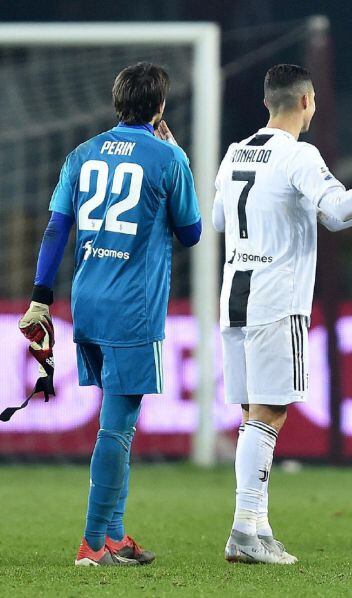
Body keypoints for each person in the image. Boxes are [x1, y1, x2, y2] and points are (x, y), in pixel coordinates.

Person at [213, 65, 352, 565]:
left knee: (251, 416)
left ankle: (257, 526)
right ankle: (243, 532)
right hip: (276, 299)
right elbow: (337, 212)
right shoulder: (299, 155)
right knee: (268, 416)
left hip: (233, 295)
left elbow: (217, 219)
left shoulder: (234, 154)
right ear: (306, 103)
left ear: (266, 101)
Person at [16, 62, 201, 566]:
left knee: (119, 419)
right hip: (133, 308)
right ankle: (93, 543)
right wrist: (180, 156)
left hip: (87, 301)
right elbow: (192, 233)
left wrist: (40, 297)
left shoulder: (81, 154)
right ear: (160, 106)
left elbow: (56, 229)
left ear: (117, 101)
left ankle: (116, 535)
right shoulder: (166, 158)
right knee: (117, 427)